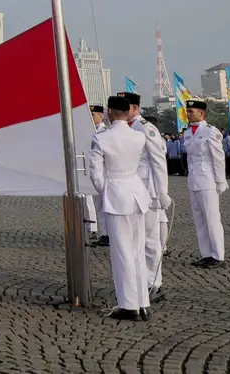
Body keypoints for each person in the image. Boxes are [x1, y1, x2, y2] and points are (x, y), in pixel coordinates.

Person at [88, 95, 163, 321]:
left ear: (110, 112)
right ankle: (143, 302)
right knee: (137, 251)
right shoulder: (138, 136)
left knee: (122, 252)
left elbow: (95, 173)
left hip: (117, 194)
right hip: (136, 193)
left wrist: (106, 191)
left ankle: (129, 305)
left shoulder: (102, 138)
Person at [121, 92, 171, 303]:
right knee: (136, 239)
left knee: (151, 241)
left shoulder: (146, 128)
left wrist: (162, 192)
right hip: (133, 190)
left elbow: (158, 161)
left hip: (148, 191)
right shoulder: (127, 128)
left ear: (134, 108)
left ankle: (154, 283)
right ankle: (140, 281)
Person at [183, 100, 227, 268]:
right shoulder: (188, 133)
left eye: (191, 111)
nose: (188, 114)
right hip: (194, 179)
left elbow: (218, 157)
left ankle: (218, 255)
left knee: (212, 218)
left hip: (208, 180)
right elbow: (189, 159)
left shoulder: (210, 131)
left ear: (201, 113)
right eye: (188, 111)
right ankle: (206, 253)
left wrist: (220, 180)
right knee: (199, 219)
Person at [86, 105, 110, 247]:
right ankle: (104, 234)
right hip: (94, 174)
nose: (91, 118)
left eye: (93, 115)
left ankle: (109, 234)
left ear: (101, 116)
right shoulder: (89, 132)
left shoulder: (105, 132)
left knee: (106, 206)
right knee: (99, 206)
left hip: (105, 175)